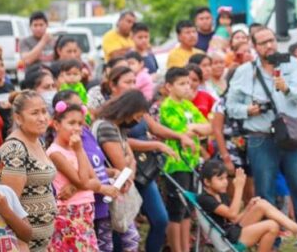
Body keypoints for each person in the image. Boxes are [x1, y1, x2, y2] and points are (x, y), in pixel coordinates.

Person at [225, 28, 297, 252]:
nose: (269, 46)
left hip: (290, 135)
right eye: (263, 43)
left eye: (272, 40)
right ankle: (270, 242)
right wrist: (248, 109)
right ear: (255, 47)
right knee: (265, 192)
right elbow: (230, 106)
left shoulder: (290, 64)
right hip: (260, 138)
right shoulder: (245, 71)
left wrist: (287, 88)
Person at [198, 159, 297, 251]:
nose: (225, 182)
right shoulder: (205, 199)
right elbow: (232, 213)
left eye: (226, 178)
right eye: (220, 179)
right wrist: (239, 187)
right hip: (226, 238)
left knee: (260, 204)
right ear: (207, 182)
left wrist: (248, 208)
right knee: (272, 225)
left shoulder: (221, 195)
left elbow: (233, 219)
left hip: (232, 231)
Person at [94, 91, 160, 252]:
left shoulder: (118, 128)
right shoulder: (106, 128)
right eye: (137, 116)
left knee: (121, 240)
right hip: (108, 191)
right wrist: (128, 166)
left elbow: (131, 160)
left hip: (117, 189)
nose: (137, 121)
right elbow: (123, 165)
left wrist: (129, 165)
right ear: (128, 111)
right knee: (112, 242)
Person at [159, 67, 213, 252]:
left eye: (188, 83)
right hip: (175, 164)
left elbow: (208, 127)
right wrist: (194, 129)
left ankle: (186, 248)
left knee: (188, 210)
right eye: (181, 84)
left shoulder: (188, 105)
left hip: (191, 164)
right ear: (169, 86)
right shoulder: (167, 106)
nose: (186, 88)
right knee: (176, 211)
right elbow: (181, 131)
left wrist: (194, 128)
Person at [46, 101, 110, 251]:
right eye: (71, 123)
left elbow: (94, 180)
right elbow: (84, 181)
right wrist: (80, 150)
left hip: (85, 210)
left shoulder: (75, 149)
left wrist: (76, 186)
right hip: (69, 213)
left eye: (80, 124)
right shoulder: (55, 153)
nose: (77, 128)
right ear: (56, 125)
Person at [0, 91, 57, 252]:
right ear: (18, 118)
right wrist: (21, 243)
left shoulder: (38, 142)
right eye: (35, 113)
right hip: (22, 245)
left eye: (44, 111)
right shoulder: (15, 149)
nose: (42, 118)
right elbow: (9, 205)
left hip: (41, 245)